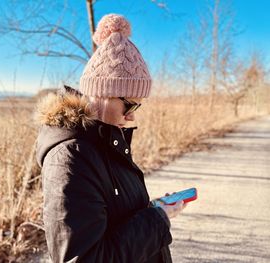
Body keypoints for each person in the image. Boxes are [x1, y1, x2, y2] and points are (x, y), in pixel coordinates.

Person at [36, 14, 187, 263]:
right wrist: (156, 221)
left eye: (136, 108)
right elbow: (85, 258)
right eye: (130, 106)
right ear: (103, 93)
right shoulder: (70, 158)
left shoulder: (105, 141)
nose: (130, 117)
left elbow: (116, 218)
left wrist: (155, 210)